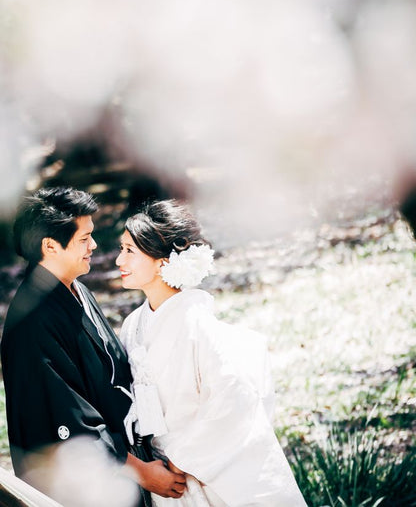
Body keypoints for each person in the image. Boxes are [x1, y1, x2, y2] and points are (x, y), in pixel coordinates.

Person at [1, 187, 186, 506]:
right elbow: (70, 419)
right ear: (50, 246)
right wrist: (142, 472)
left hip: (119, 467)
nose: (94, 246)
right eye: (84, 238)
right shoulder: (31, 322)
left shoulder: (77, 290)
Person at [116, 199, 307, 506]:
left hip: (198, 468)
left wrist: (182, 460)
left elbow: (233, 400)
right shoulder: (132, 325)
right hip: (159, 474)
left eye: (129, 251)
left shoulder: (197, 323)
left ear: (162, 261)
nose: (118, 260)